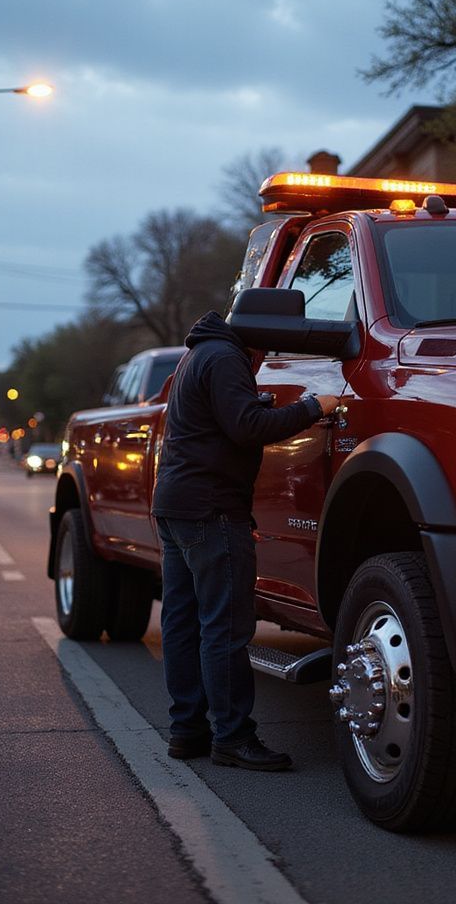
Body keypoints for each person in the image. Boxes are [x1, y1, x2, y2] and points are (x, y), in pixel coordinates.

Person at [152, 310, 339, 771]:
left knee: (183, 622)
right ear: (258, 337)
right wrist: (315, 407)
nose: (267, 360)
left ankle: (187, 730)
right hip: (209, 508)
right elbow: (248, 427)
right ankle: (233, 737)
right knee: (225, 627)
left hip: (177, 505)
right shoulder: (225, 357)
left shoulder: (198, 354)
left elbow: (217, 428)